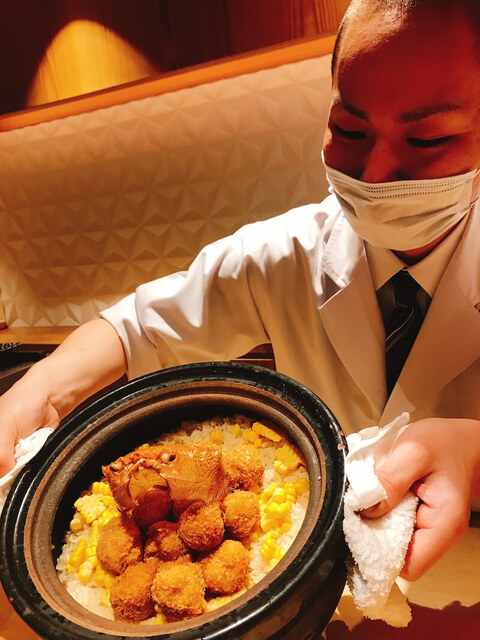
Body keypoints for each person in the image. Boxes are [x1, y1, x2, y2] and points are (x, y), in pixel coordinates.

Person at [0, 0, 479, 584]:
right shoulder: (284, 253)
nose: (375, 173)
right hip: (317, 579)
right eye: (349, 130)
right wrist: (39, 389)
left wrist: (473, 455)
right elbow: (138, 328)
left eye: (427, 139)